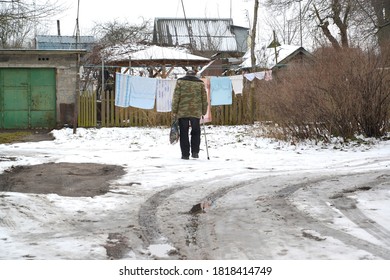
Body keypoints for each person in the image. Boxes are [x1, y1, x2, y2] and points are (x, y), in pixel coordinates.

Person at [171, 70, 208, 160]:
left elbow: (176, 97)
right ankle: (195, 152)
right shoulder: (200, 83)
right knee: (196, 131)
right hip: (196, 111)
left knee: (184, 132)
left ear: (186, 74)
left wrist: (174, 110)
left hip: (182, 111)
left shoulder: (180, 82)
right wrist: (204, 111)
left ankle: (185, 154)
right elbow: (204, 98)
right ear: (195, 75)